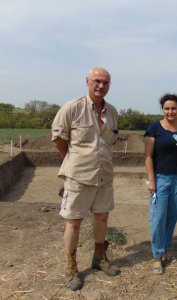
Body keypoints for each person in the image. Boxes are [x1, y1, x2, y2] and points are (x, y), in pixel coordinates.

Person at [52, 67, 120, 291]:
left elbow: (110, 142)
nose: (101, 86)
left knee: (102, 218)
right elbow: (58, 139)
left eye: (106, 83)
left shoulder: (112, 112)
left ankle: (99, 258)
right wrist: (73, 160)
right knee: (74, 222)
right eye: (97, 81)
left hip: (104, 176)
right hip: (79, 176)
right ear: (88, 81)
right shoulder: (72, 108)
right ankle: (70, 266)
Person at [144, 93, 177, 275]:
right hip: (160, 178)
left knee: (171, 216)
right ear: (162, 110)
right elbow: (148, 156)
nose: (170, 111)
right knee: (158, 218)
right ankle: (157, 256)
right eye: (167, 108)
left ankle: (166, 248)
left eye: (174, 108)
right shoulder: (154, 128)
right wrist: (151, 181)